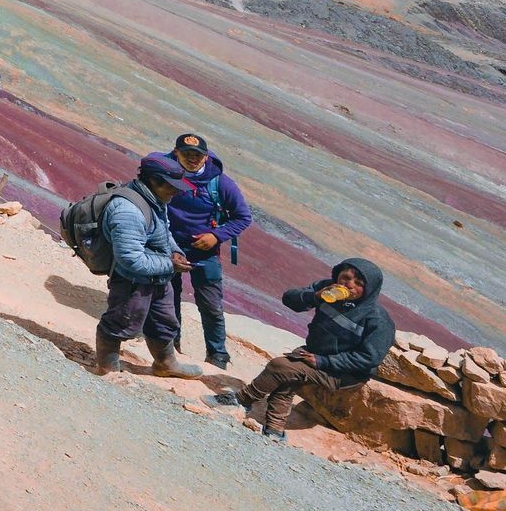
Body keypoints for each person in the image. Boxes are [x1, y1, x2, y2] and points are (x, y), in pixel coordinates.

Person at [206, 258, 394, 442]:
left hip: (344, 372)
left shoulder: (377, 319)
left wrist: (323, 362)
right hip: (315, 353)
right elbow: (289, 299)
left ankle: (242, 399)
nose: (349, 285)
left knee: (279, 366)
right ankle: (274, 431)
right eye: (345, 277)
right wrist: (315, 296)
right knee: (287, 380)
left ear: (370, 289)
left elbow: (368, 358)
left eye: (359, 283)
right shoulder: (327, 288)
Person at [94, 153, 201, 379]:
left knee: (164, 322)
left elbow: (162, 231)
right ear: (154, 180)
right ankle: (107, 367)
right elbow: (130, 258)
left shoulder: (155, 200)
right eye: (172, 186)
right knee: (120, 322)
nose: (177, 192)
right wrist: (170, 265)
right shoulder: (128, 211)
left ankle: (166, 364)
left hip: (158, 276)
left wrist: (175, 252)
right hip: (132, 282)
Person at [165, 132, 253, 369]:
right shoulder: (163, 173)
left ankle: (217, 356)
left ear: (205, 157)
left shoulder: (220, 183)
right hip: (167, 246)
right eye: (187, 154)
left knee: (211, 304)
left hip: (205, 252)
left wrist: (216, 236)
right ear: (176, 153)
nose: (193, 159)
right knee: (168, 298)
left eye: (198, 155)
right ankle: (171, 347)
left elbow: (243, 217)